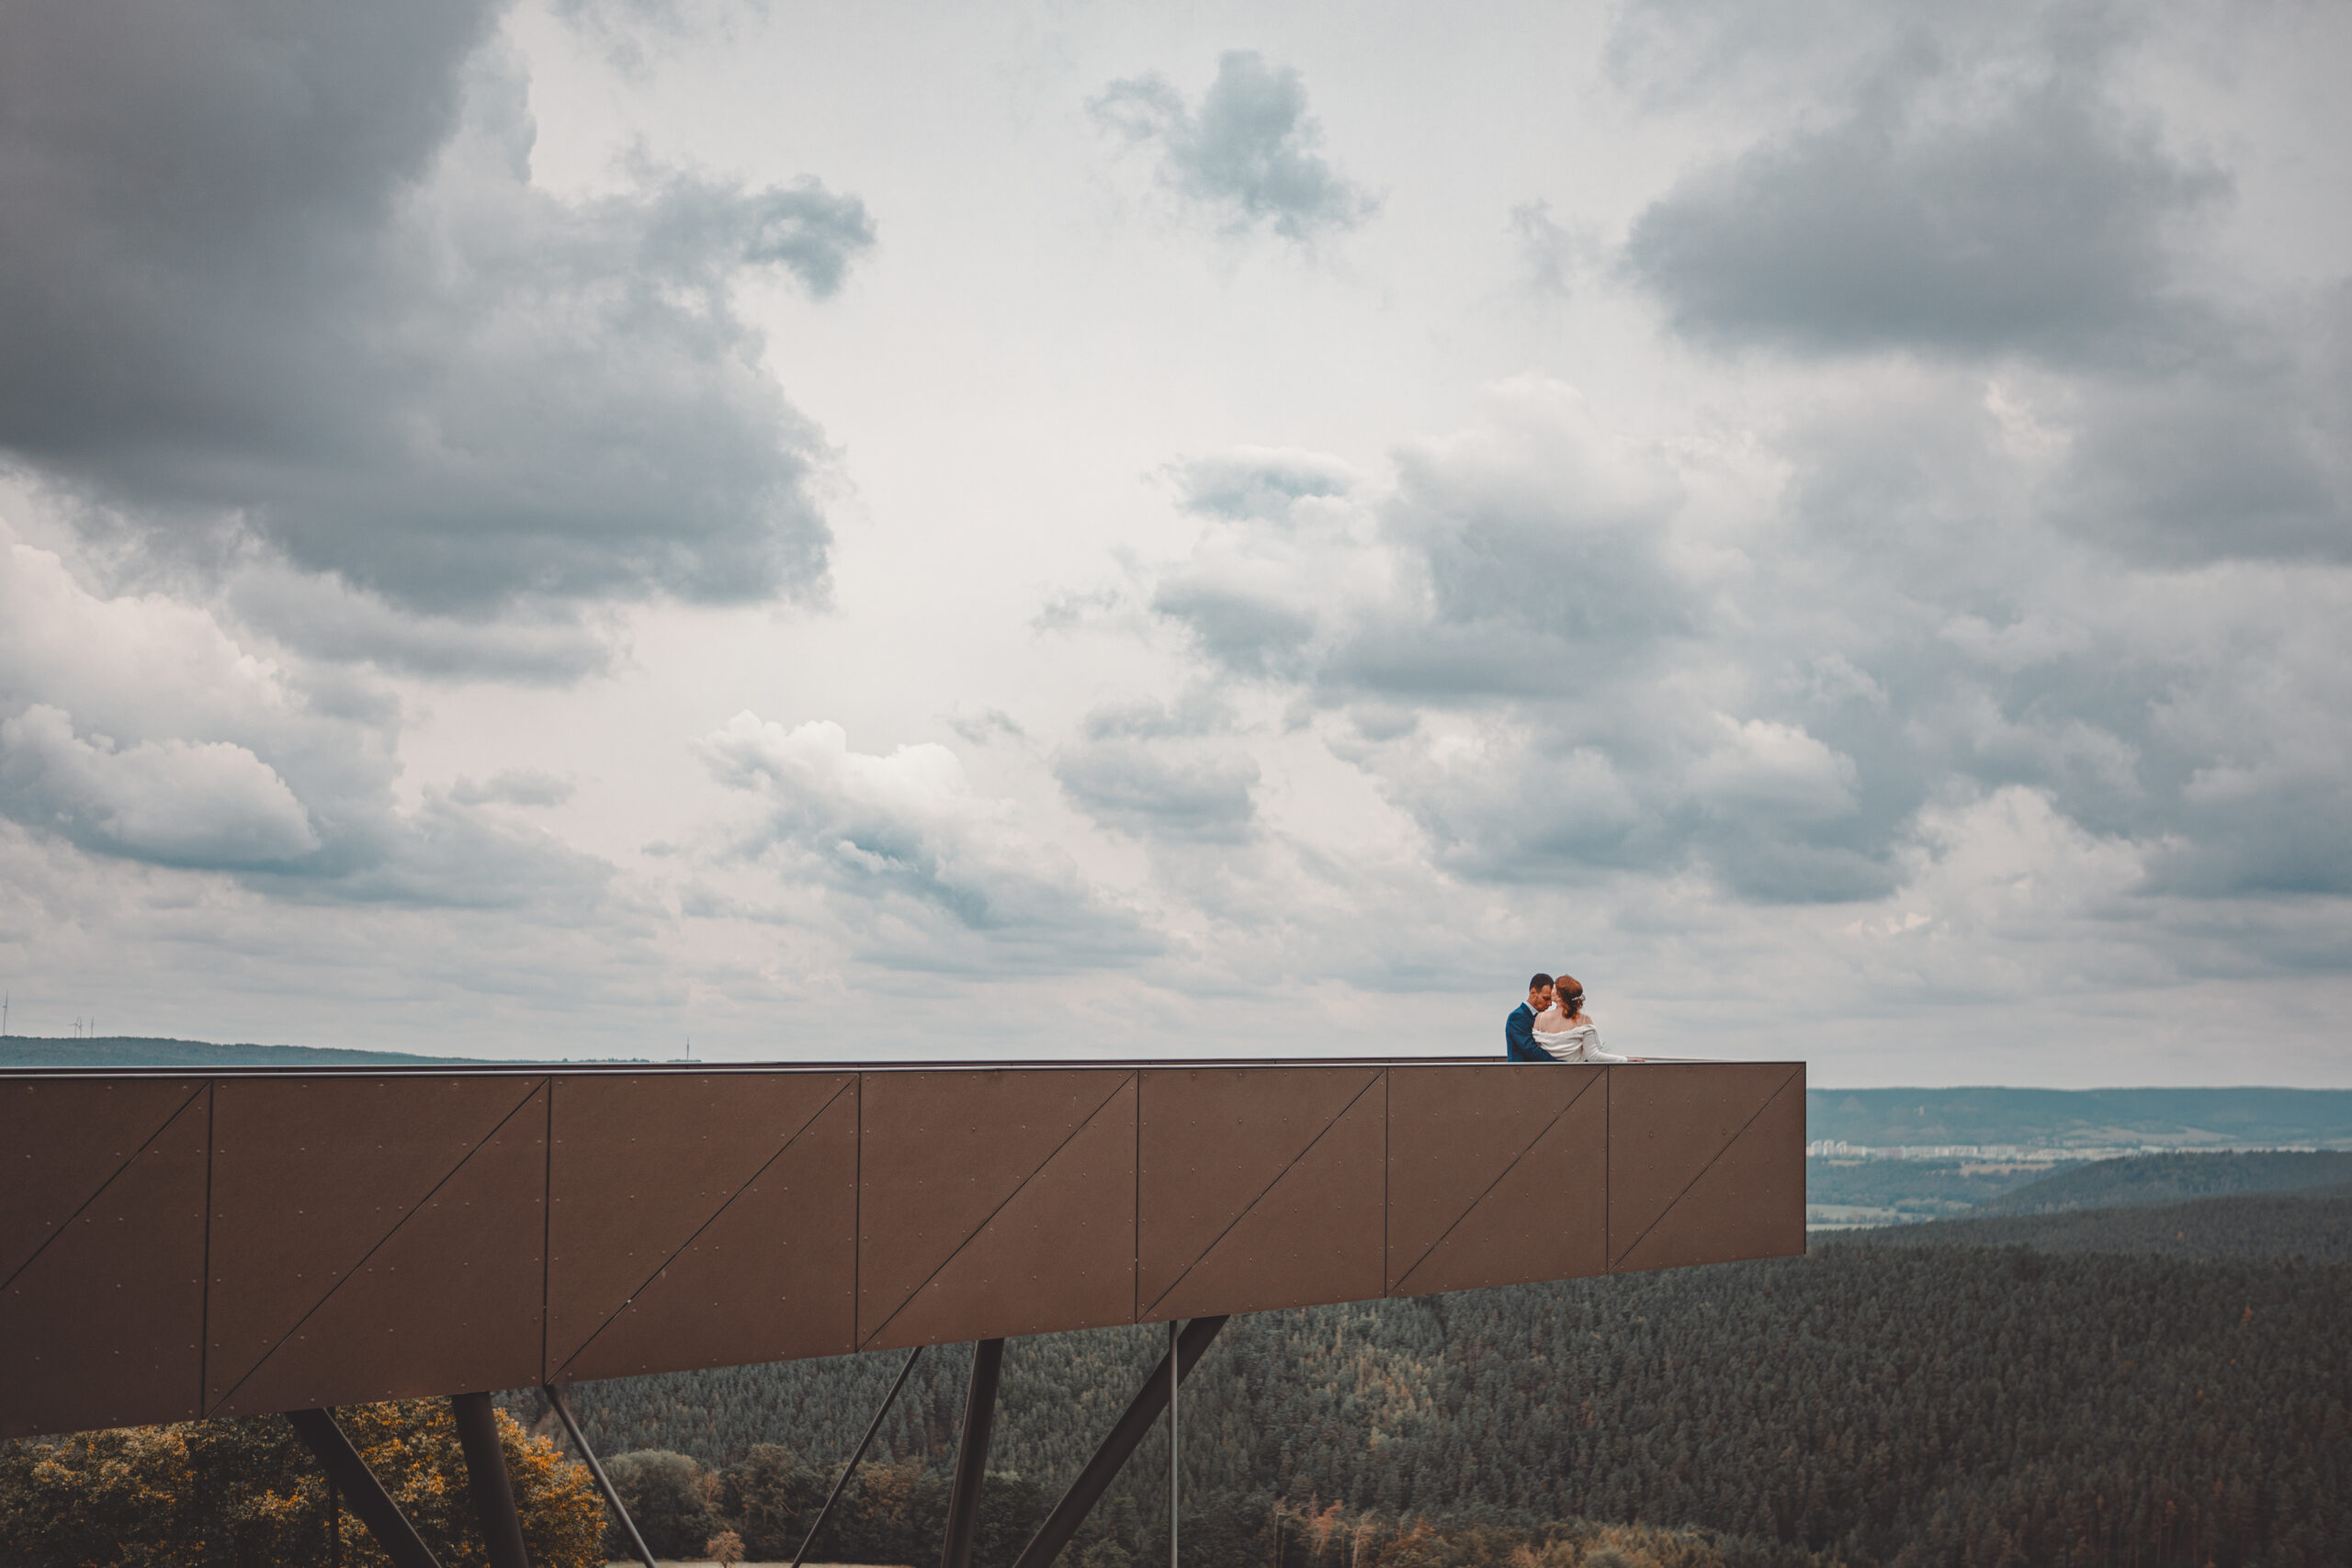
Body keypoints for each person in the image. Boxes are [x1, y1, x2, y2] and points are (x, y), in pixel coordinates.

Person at [1532, 974, 1644, 1063]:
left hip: (1546, 1078)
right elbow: (1593, 1056)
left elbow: (1536, 1051)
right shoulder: (1584, 1020)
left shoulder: (1540, 1018)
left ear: (1560, 997)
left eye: (1554, 988)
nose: (1551, 989)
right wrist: (1625, 1060)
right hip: (1576, 1078)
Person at [1505, 973, 1555, 1062]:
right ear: (1533, 992)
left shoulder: (1542, 1018)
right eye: (1546, 998)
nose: (1550, 1004)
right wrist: (1561, 1064)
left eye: (1551, 1000)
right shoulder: (1517, 1017)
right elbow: (1531, 1050)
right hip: (1523, 1074)